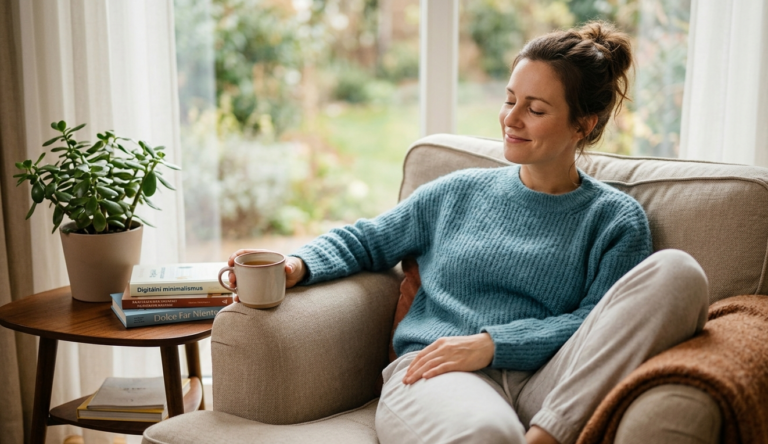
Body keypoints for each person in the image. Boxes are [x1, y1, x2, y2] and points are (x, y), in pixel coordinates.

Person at [228, 21, 709, 444]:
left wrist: (493, 344)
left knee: (679, 272)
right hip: (442, 370)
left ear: (583, 123)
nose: (511, 119)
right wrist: (295, 266)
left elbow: (595, 324)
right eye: (509, 99)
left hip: (550, 383)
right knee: (487, 435)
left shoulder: (615, 219)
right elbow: (367, 240)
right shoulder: (456, 192)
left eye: (535, 109)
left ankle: (545, 437)